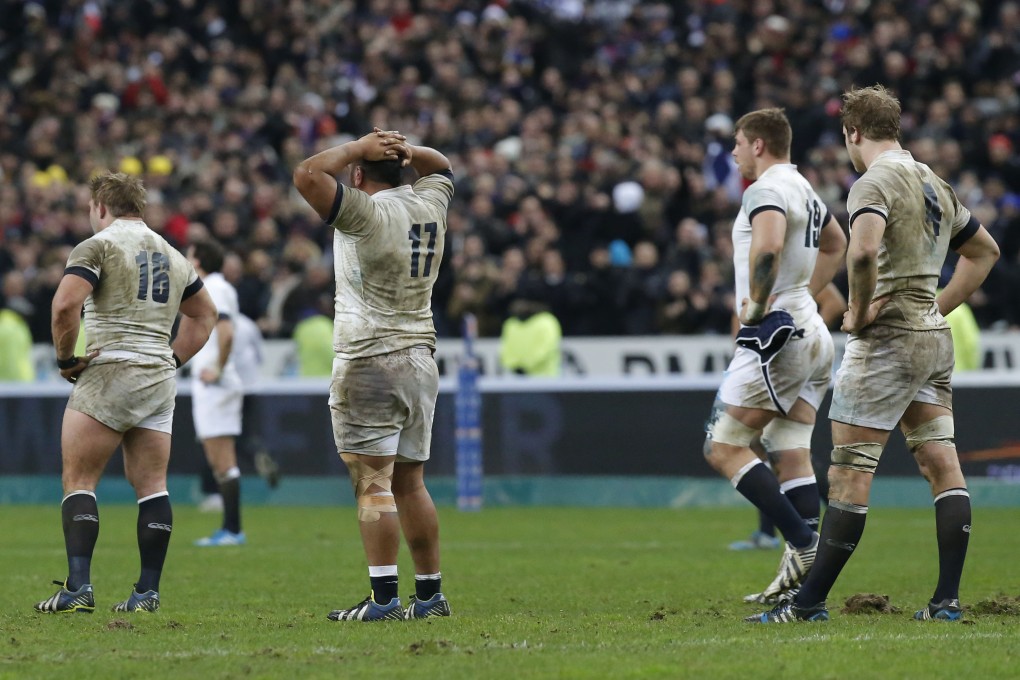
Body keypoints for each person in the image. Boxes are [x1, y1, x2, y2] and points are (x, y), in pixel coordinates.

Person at [751, 85, 1000, 623]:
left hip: (886, 342)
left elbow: (862, 250)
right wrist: (935, 304)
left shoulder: (872, 183)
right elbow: (984, 252)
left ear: (853, 133)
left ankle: (808, 603)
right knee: (942, 465)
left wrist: (860, 312)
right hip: (932, 339)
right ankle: (946, 601)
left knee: (848, 473)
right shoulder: (933, 180)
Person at [35, 172, 216, 613]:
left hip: (110, 366)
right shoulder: (173, 254)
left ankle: (78, 588)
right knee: (152, 486)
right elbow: (205, 315)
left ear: (100, 205)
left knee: (79, 480)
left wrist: (64, 359)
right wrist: (171, 360)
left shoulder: (97, 245)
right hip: (157, 375)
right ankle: (146, 593)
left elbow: (64, 305)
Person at [293, 129, 454, 621]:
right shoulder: (431, 203)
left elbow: (306, 174)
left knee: (373, 484)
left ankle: (383, 599)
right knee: (411, 483)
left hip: (369, 360)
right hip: (420, 358)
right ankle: (429, 597)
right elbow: (442, 166)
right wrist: (411, 151)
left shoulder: (364, 212)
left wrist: (359, 146)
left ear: (359, 174)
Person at [702, 108, 846, 604]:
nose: (736, 152)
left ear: (758, 144)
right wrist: (804, 293)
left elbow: (766, 249)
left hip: (776, 335)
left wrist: (759, 306)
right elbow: (836, 242)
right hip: (812, 332)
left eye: (739, 143)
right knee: (789, 449)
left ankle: (804, 545)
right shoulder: (803, 186)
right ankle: (806, 589)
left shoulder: (763, 190)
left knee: (723, 446)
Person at [188, 238, 248, 546]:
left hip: (217, 384)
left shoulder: (215, 288)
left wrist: (218, 369)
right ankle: (230, 529)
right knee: (219, 461)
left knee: (223, 461)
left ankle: (233, 530)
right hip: (212, 384)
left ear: (198, 260)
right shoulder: (214, 287)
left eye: (190, 254)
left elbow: (225, 333)